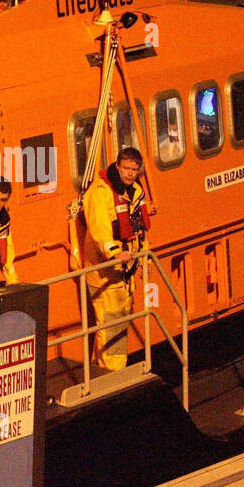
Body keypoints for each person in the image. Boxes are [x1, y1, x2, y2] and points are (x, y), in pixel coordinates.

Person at [83, 146, 151, 372]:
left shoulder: (133, 191)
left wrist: (143, 258)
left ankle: (101, 369)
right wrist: (114, 252)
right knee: (112, 327)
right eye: (126, 168)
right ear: (117, 166)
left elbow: (137, 227)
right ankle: (113, 375)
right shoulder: (101, 192)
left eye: (134, 169)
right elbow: (99, 228)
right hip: (105, 273)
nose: (130, 173)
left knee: (115, 324)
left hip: (125, 272)